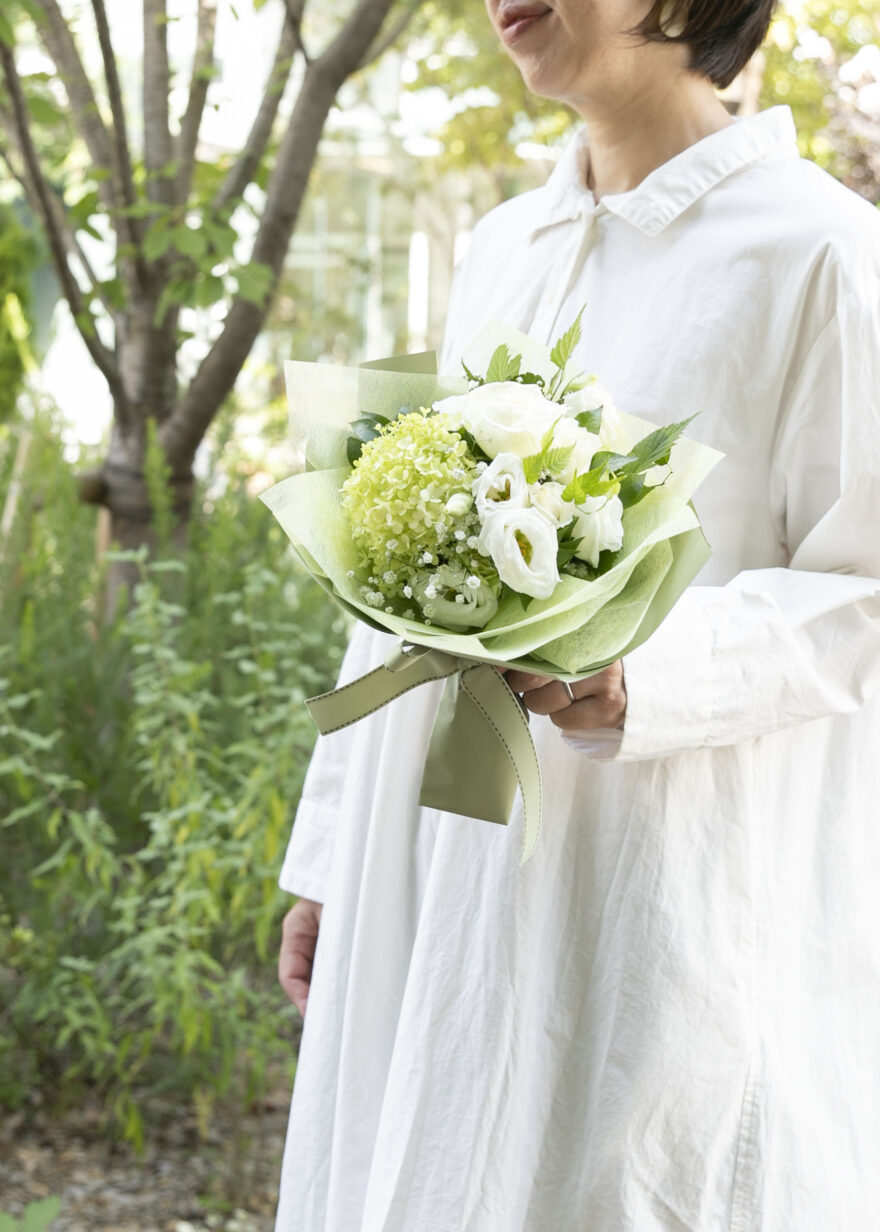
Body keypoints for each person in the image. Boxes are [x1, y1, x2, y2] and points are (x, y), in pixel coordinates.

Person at [274, 0, 880, 1227]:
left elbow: (859, 589)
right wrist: (332, 859)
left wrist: (644, 670)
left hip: (664, 868)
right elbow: (397, 567)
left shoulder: (821, 251)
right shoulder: (508, 244)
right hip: (443, 853)